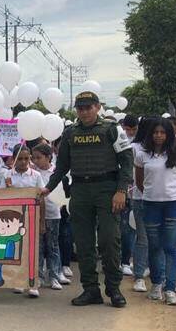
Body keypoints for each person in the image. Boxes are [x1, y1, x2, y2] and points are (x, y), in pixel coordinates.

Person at [42, 92, 132, 307]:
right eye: (80, 108)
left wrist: (121, 191)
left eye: (88, 107)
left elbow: (127, 161)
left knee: (110, 241)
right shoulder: (70, 133)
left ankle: (114, 288)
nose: (84, 112)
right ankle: (91, 289)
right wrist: (47, 188)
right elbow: (62, 165)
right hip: (80, 190)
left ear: (98, 107)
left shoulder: (111, 129)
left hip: (107, 189)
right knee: (83, 243)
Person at [133, 117, 176, 305]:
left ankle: (170, 289)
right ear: (150, 134)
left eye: (162, 132)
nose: (159, 135)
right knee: (154, 246)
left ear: (168, 134)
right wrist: (152, 194)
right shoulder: (142, 154)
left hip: (173, 204)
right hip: (150, 204)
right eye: (155, 132)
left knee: (171, 247)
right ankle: (156, 285)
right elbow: (140, 181)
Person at [0, 145, 41, 297]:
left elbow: (41, 197)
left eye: (26, 159)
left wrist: (42, 221)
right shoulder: (7, 175)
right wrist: (8, 188)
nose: (23, 162)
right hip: (12, 219)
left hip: (31, 217)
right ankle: (18, 281)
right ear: (13, 159)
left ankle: (33, 283)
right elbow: (0, 196)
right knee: (17, 250)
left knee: (32, 250)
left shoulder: (35, 175)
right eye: (20, 158)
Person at [32, 144, 66, 290]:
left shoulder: (56, 172)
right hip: (36, 213)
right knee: (38, 246)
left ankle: (55, 275)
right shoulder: (33, 173)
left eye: (39, 158)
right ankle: (38, 276)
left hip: (53, 213)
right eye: (34, 158)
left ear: (48, 157)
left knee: (53, 245)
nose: (36, 161)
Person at [128, 117, 153, 292]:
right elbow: (135, 177)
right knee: (142, 237)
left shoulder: (165, 150)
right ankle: (139, 275)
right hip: (141, 197)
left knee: (159, 238)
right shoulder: (135, 149)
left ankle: (156, 272)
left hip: (162, 200)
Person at [120, 114, 140, 275]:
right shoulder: (120, 141)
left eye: (134, 129)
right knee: (125, 227)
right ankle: (124, 260)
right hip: (124, 190)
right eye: (128, 129)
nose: (131, 132)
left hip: (138, 191)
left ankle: (133, 260)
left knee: (134, 228)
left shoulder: (141, 144)